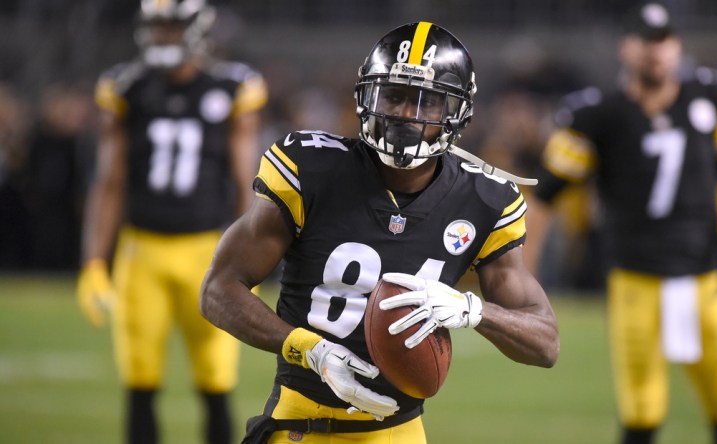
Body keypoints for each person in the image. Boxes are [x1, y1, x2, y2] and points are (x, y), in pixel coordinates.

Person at [200, 21, 559, 443]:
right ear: (367, 96)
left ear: (456, 112)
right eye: (395, 96)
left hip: (396, 433)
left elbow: (545, 342)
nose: (406, 115)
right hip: (298, 423)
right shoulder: (312, 170)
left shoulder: (481, 198)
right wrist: (307, 348)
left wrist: (472, 310)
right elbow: (218, 290)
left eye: (427, 102)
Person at [524, 3, 717, 444]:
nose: (655, 51)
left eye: (663, 40)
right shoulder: (598, 115)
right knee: (642, 413)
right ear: (625, 48)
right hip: (636, 281)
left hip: (706, 278)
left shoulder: (714, 99)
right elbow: (543, 200)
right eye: (645, 40)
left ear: (677, 46)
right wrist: (526, 278)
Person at [75, 0, 267, 442]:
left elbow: (246, 182)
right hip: (141, 251)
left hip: (208, 252)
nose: (163, 37)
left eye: (172, 27)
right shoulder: (127, 87)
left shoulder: (232, 86)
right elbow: (109, 182)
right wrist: (93, 262)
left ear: (198, 28)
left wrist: (248, 263)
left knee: (215, 382)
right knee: (139, 383)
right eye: (157, 27)